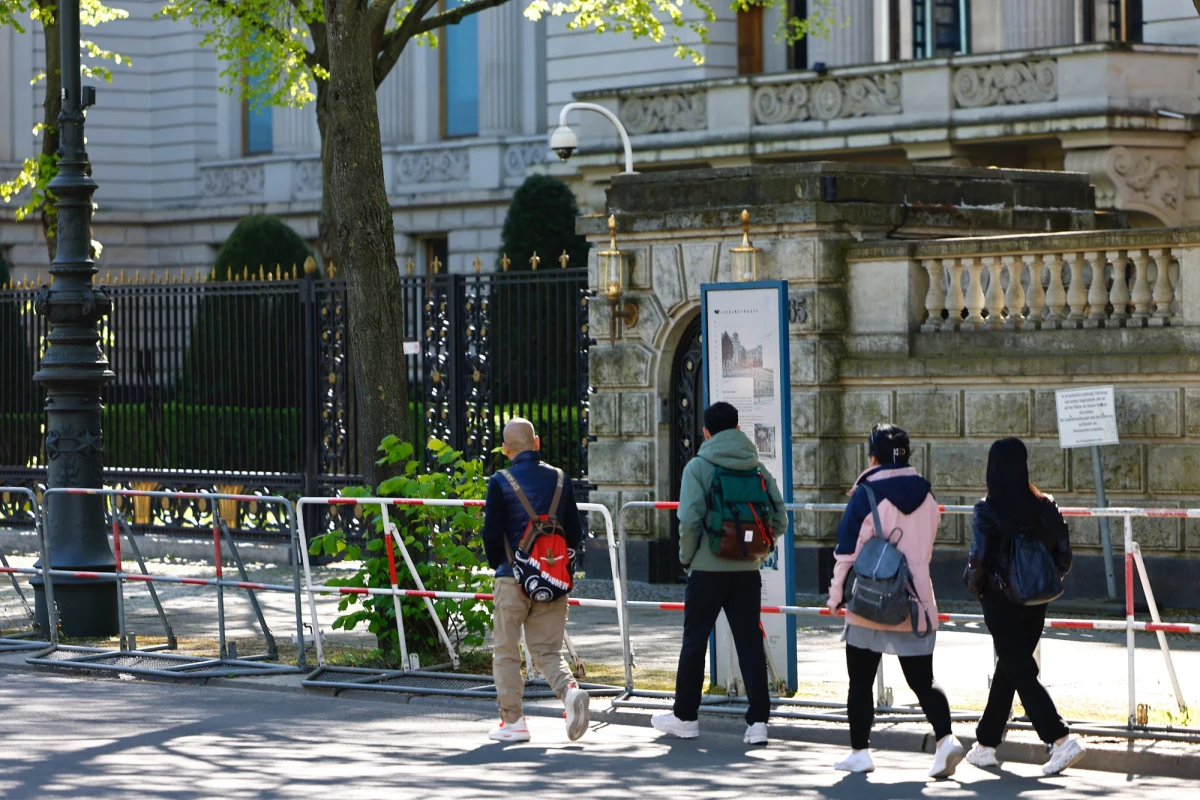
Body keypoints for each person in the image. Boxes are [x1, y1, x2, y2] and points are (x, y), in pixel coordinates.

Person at [828, 424, 963, 778]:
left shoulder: (865, 494)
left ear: (874, 456)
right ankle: (946, 739)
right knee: (923, 681)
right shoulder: (928, 495)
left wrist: (836, 594)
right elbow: (928, 538)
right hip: (915, 598)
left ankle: (860, 752)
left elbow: (846, 551)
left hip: (871, 599)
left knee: (860, 680)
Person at [651, 401, 788, 745]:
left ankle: (685, 717)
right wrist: (758, 550)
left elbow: (689, 521)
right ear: (739, 429)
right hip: (747, 571)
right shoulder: (756, 467)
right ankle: (758, 723)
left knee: (695, 641)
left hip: (707, 570)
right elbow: (780, 518)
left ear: (706, 432)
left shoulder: (698, 466)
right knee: (749, 642)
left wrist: (687, 558)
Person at [964, 437, 1085, 775]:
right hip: (1037, 599)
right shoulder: (1046, 504)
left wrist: (978, 590)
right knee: (1011, 666)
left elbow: (977, 560)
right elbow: (1064, 556)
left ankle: (1060, 740)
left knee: (1019, 669)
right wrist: (1040, 582)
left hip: (1000, 599)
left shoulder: (987, 508)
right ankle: (986, 744)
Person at [480, 418, 589, 743]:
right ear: (537, 442)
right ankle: (570, 694)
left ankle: (513, 722)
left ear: (505, 449)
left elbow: (491, 533)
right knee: (547, 650)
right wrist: (554, 566)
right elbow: (575, 532)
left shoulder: (500, 481)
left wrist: (501, 565)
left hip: (512, 578)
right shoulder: (559, 479)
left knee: (506, 651)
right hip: (551, 577)